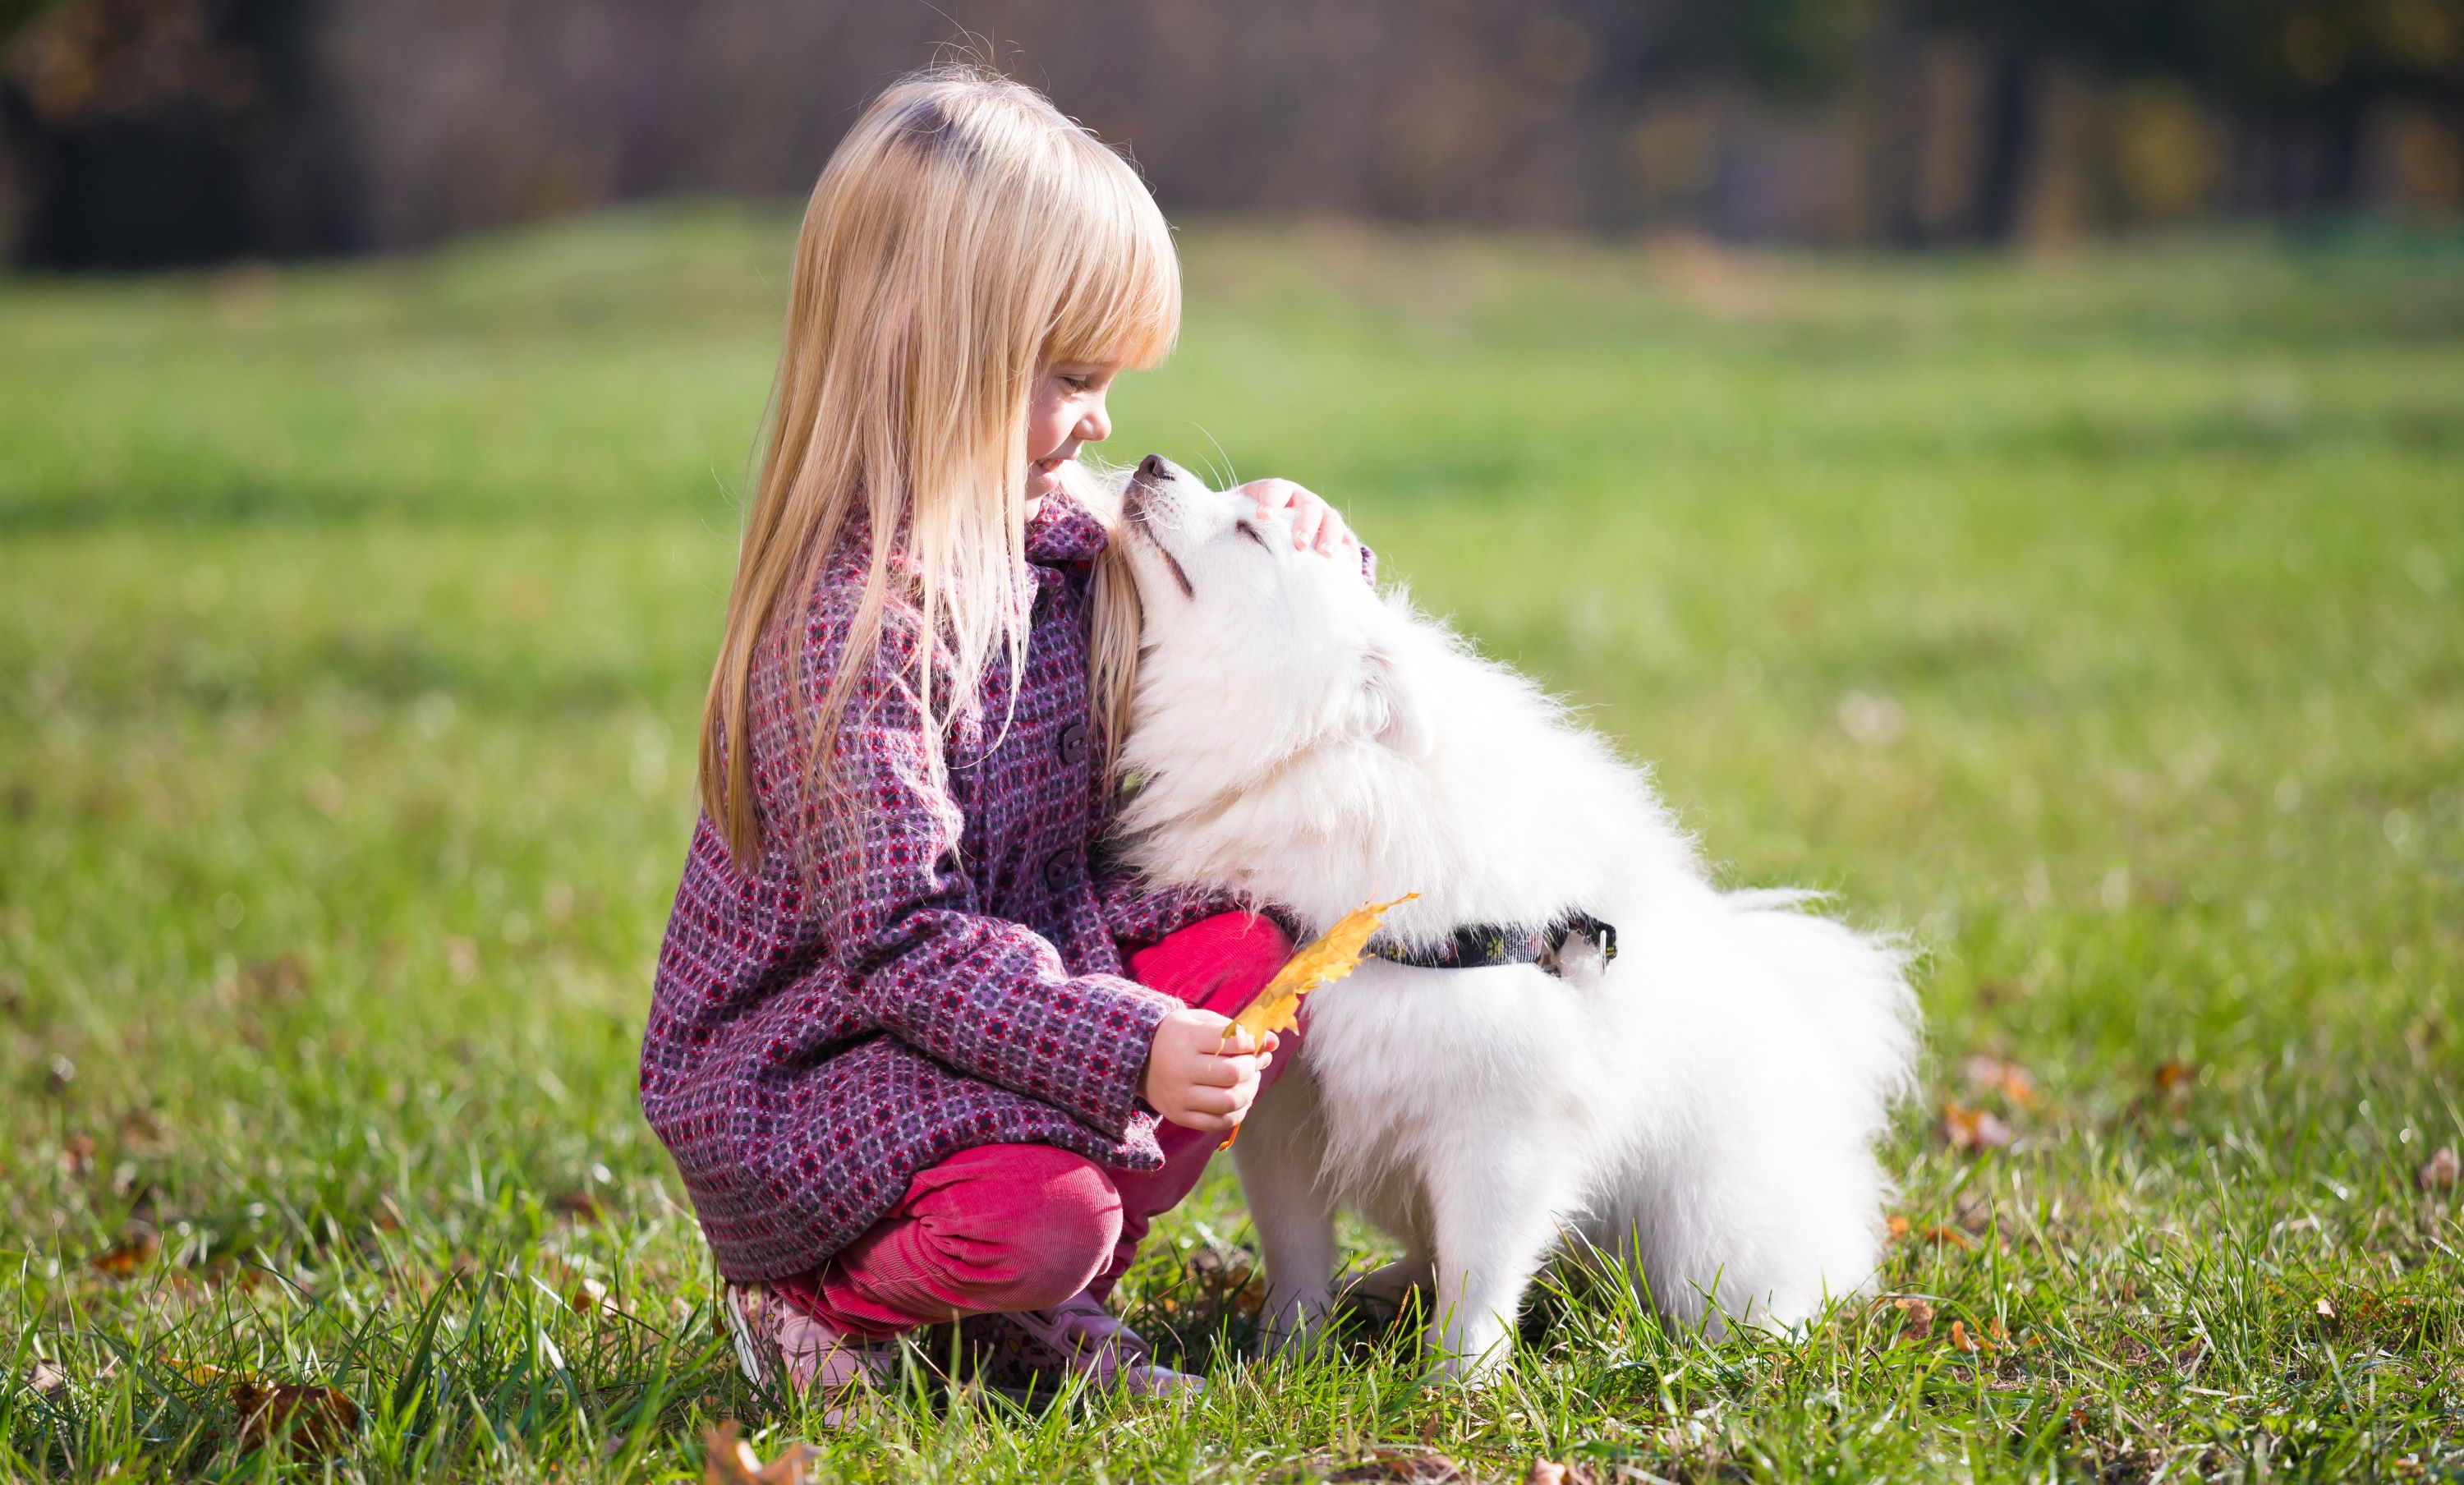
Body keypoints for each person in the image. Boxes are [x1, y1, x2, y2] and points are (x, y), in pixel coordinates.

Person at [636, 64, 1368, 1419]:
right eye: (1074, 378)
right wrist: (1124, 1048)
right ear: (935, 348)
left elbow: (1242, 641)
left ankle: (1021, 1317)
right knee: (1052, 1215)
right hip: (826, 1074)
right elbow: (904, 947)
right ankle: (820, 1303)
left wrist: (1286, 533)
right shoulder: (851, 638)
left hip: (1016, 1000)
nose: (1102, 423)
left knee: (1255, 948)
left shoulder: (1057, 539)